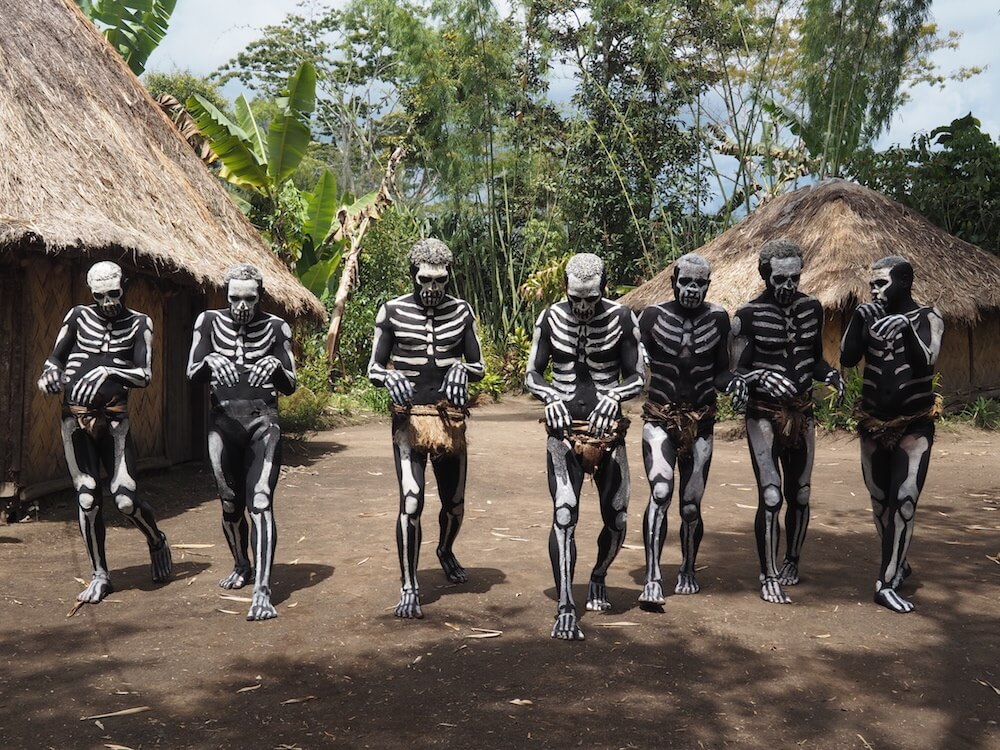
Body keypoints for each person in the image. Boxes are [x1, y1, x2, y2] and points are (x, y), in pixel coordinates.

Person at [525, 253, 643, 640]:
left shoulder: (623, 319)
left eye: (590, 298)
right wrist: (550, 397)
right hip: (563, 435)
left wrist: (615, 395)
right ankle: (565, 605)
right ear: (566, 289)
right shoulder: (550, 318)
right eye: (577, 297)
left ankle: (598, 575)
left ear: (603, 289)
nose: (583, 306)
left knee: (619, 517)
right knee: (564, 514)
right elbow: (532, 375)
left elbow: (639, 377)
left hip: (609, 434)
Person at [38, 261, 171, 603]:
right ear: (92, 294)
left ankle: (156, 540)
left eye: (114, 293)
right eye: (101, 296)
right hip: (75, 422)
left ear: (123, 287)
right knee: (87, 497)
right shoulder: (78, 317)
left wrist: (107, 369)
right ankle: (100, 574)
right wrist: (49, 376)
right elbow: (55, 360)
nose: (108, 302)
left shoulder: (140, 323)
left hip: (115, 425)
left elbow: (144, 375)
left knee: (125, 500)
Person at [367, 239, 484, 619]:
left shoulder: (461, 312)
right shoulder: (392, 312)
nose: (432, 288)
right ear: (413, 276)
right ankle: (409, 583)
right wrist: (390, 377)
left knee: (455, 504)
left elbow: (478, 365)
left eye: (440, 280)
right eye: (425, 280)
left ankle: (445, 549)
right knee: (412, 500)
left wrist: (461, 369)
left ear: (449, 277)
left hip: (450, 417)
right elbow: (373, 367)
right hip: (409, 419)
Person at [733, 239, 843, 604]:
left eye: (794, 277)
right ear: (766, 276)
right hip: (763, 415)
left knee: (802, 494)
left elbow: (814, 359)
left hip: (802, 411)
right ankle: (768, 574)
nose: (788, 285)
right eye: (780, 278)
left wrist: (830, 375)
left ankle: (792, 561)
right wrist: (761, 376)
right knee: (770, 494)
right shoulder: (747, 315)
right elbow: (735, 373)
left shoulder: (812, 309)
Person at [187, 263, 296, 621]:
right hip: (222, 425)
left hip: (264, 423)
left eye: (250, 298)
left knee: (261, 502)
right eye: (235, 298)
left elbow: (291, 382)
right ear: (225, 295)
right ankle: (241, 565)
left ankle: (262, 591)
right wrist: (212, 359)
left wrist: (276, 368)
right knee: (230, 505)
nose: (242, 306)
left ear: (260, 296)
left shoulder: (277, 327)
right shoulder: (207, 322)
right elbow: (192, 372)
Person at [638, 253, 747, 605]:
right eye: (686, 282)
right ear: (673, 282)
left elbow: (720, 372)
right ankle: (653, 576)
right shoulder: (651, 318)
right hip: (660, 418)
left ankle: (687, 567)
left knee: (690, 505)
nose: (692, 289)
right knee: (659, 493)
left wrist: (735, 383)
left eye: (699, 283)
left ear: (708, 285)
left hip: (701, 422)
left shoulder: (718, 319)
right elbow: (634, 364)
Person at [840, 256, 943, 613]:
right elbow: (848, 358)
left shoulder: (928, 317)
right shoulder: (868, 318)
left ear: (904, 283)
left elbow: (926, 360)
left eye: (882, 283)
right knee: (881, 503)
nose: (875, 290)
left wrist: (903, 326)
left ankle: (884, 583)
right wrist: (858, 320)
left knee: (906, 500)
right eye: (872, 284)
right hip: (872, 423)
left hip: (914, 424)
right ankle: (897, 562)